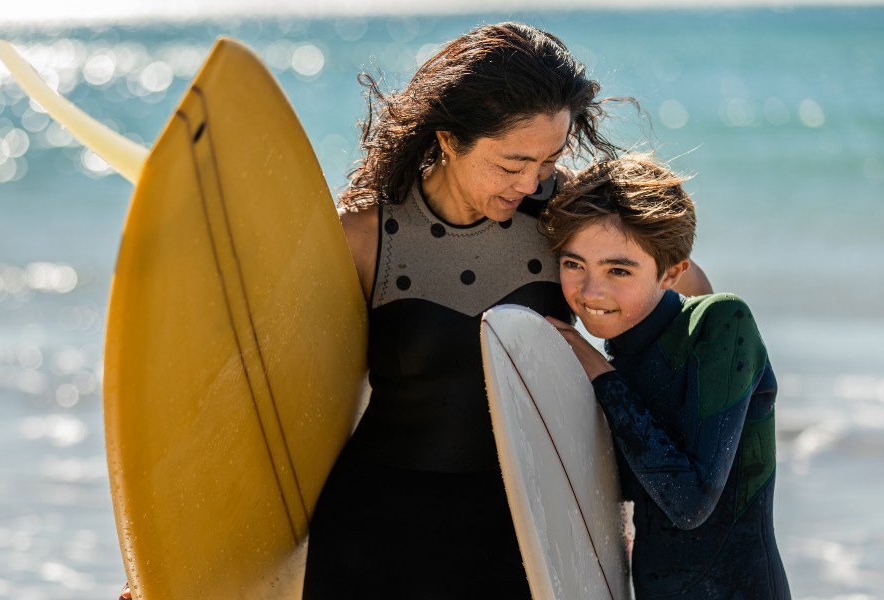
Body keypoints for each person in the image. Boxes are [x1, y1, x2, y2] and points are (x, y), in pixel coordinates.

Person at [302, 24, 711, 598]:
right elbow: (289, 402)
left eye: (549, 160)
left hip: (531, 537)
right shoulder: (368, 237)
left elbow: (686, 292)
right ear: (448, 139)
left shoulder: (566, 217)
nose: (532, 181)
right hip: (377, 534)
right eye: (511, 163)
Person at [542, 155, 790, 598]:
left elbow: (689, 503)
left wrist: (594, 366)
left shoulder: (720, 324)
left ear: (672, 272)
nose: (589, 292)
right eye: (573, 263)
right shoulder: (624, 358)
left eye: (618, 270)